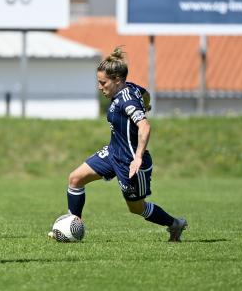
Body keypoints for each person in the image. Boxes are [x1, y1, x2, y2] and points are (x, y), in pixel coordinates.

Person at [50, 47, 187, 242]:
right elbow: (145, 93)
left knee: (136, 208)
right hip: (113, 152)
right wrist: (146, 104)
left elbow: (145, 127)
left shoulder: (127, 100)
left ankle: (175, 224)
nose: (100, 87)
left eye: (102, 82)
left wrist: (137, 157)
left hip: (129, 162)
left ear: (116, 80)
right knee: (75, 179)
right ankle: (73, 227)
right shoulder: (130, 88)